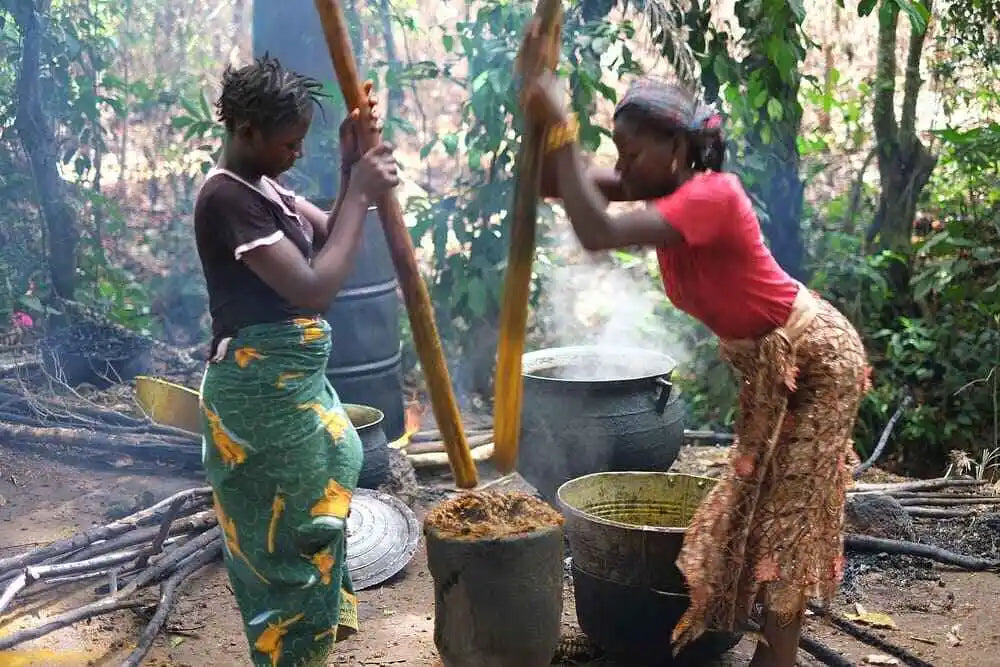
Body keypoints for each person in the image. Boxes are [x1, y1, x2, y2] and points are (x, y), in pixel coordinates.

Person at [519, 26, 869, 667]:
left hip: (816, 362)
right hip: (770, 371)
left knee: (784, 523)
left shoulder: (712, 195)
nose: (618, 167)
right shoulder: (662, 186)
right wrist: (535, 104)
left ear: (677, 147)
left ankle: (776, 659)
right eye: (614, 154)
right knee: (753, 509)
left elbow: (594, 231)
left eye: (629, 152)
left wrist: (566, 122)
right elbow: (551, 180)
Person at [193, 55, 399, 667]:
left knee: (320, 499)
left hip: (294, 383)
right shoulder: (226, 199)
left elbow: (335, 232)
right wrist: (362, 186)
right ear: (246, 131)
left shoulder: (264, 187)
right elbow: (312, 288)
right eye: (289, 143)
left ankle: (314, 640)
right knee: (285, 536)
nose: (294, 154)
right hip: (259, 390)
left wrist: (347, 169)